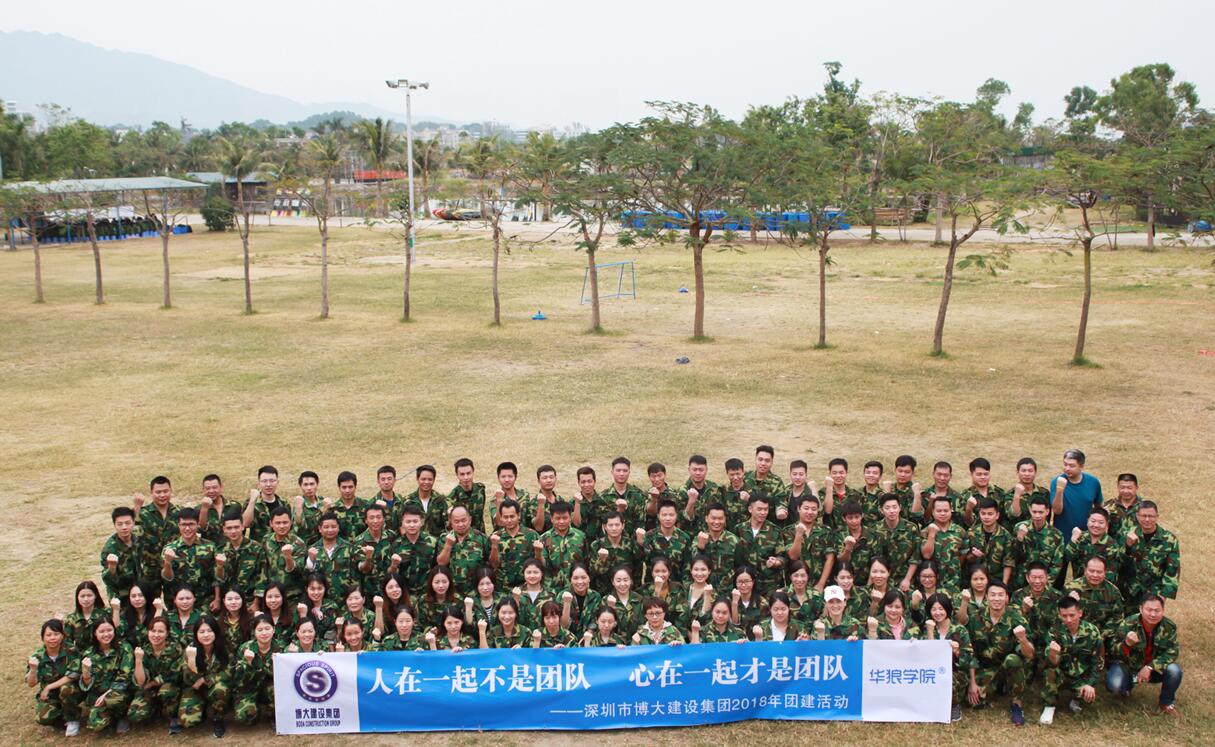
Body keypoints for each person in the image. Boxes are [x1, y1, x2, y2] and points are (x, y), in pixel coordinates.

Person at [965, 581, 1034, 725]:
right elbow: (970, 652)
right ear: (986, 597)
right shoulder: (976, 618)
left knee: (1013, 659)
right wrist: (972, 683)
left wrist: (1023, 640)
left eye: (1001, 595)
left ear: (1007, 598)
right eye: (993, 595)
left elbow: (1029, 654)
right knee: (973, 702)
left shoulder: (1016, 618)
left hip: (1009, 666)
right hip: (987, 668)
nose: (997, 599)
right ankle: (998, 687)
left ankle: (1016, 704)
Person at [1106, 593, 1181, 715]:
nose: (1153, 614)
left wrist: (1150, 667)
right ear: (1141, 609)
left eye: (1157, 610)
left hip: (1153, 670)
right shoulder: (1128, 624)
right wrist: (1126, 644)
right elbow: (1113, 652)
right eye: (1149, 610)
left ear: (1163, 610)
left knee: (1174, 670)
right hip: (1129, 667)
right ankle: (1126, 687)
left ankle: (1166, 703)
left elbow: (1172, 651)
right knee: (1114, 684)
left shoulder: (1169, 626)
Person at [1038, 597, 1101, 725]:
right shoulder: (1054, 631)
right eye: (1064, 616)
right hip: (1061, 674)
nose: (1068, 620)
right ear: (1059, 615)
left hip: (1081, 677)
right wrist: (1052, 654)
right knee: (1050, 672)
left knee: (1089, 697)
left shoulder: (1092, 632)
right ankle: (1049, 706)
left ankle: (1076, 700)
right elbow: (1049, 663)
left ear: (1080, 613)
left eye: (1072, 615)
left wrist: (1090, 684)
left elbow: (1098, 661)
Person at [921, 593, 975, 723]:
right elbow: (923, 654)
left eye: (941, 609)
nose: (937, 613)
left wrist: (957, 653)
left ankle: (954, 705)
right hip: (931, 671)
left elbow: (969, 659)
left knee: (949, 679)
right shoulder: (927, 629)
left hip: (955, 672)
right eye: (934, 609)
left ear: (947, 609)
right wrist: (927, 635)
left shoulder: (960, 630)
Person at [76, 618, 134, 734]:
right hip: (97, 696)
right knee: (95, 725)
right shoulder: (89, 653)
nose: (106, 634)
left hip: (119, 693)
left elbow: (124, 677)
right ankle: (110, 717)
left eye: (109, 630)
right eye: (101, 631)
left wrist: (106, 694)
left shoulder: (124, 648)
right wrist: (86, 673)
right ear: (95, 633)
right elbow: (86, 685)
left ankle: (122, 716)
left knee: (113, 699)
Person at [1120, 501, 1180, 610]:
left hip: (1155, 591)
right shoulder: (1126, 534)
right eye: (1143, 516)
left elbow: (1173, 570)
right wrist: (1128, 546)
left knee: (1151, 618)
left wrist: (1163, 596)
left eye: (1151, 516)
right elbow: (1118, 562)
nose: (1147, 519)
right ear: (1137, 516)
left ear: (1157, 516)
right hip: (1130, 590)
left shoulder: (1169, 539)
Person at [125, 616, 181, 732]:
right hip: (149, 689)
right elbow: (140, 681)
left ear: (167, 633)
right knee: (135, 715)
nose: (156, 635)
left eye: (160, 631)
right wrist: (138, 661)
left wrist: (153, 683)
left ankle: (173, 716)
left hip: (170, 687)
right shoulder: (144, 650)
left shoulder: (176, 649)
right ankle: (155, 709)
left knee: (166, 691)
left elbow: (176, 674)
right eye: (153, 631)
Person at [26, 618, 78, 732]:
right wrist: (33, 670)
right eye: (48, 635)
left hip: (71, 689)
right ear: (43, 638)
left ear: (62, 636)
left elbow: (72, 675)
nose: (53, 638)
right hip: (51, 695)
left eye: (56, 634)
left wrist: (49, 687)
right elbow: (31, 684)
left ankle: (72, 718)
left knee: (66, 689)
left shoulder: (71, 650)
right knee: (42, 718)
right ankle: (60, 716)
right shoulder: (37, 656)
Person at [1065, 556, 1124, 652]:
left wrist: (1101, 636)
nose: (1095, 575)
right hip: (1075, 636)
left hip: (1103, 638)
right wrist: (1070, 602)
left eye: (1099, 572)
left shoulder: (1113, 591)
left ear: (1105, 572)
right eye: (1091, 571)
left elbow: (1117, 617)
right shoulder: (1070, 588)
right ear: (1085, 570)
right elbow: (1061, 616)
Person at [231, 613, 278, 726]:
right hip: (249, 688)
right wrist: (248, 663)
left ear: (273, 630)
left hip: (269, 688)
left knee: (276, 692)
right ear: (254, 632)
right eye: (260, 630)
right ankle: (256, 708)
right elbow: (239, 680)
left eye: (267, 629)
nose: (264, 633)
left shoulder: (279, 648)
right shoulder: (245, 648)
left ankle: (273, 714)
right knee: (245, 717)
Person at [214, 509, 266, 609]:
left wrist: (256, 603)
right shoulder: (220, 550)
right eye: (229, 528)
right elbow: (218, 579)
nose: (233, 531)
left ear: (242, 527)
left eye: (236, 527)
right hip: (228, 600)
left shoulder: (256, 548)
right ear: (224, 530)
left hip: (249, 600)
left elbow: (262, 576)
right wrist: (220, 567)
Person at [161, 508, 217, 600]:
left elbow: (216, 577)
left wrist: (217, 599)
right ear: (178, 525)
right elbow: (167, 578)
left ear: (198, 525)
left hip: (205, 599)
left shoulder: (210, 547)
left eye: (191, 524)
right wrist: (167, 562)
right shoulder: (169, 549)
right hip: (179, 600)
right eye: (183, 524)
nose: (187, 528)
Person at [1051, 449, 1103, 546]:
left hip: (1086, 537)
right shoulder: (1056, 482)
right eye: (1065, 464)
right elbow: (1057, 511)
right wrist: (1060, 490)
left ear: (1081, 466)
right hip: (1062, 538)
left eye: (1072, 466)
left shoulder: (1093, 482)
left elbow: (1099, 507)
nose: (1067, 468)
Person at [736, 494, 784, 596]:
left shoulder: (775, 531)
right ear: (750, 509)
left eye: (766, 509)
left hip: (768, 585)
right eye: (759, 509)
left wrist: (776, 562)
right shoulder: (740, 529)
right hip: (745, 585)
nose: (763, 513)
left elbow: (782, 556)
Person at [437, 505, 491, 596]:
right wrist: (448, 546)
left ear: (470, 520)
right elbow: (441, 564)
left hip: (476, 592)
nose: (461, 524)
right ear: (451, 522)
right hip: (452, 592)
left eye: (463, 520)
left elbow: (491, 564)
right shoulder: (444, 539)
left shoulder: (481, 538)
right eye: (456, 521)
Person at [872, 493, 920, 592]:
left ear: (900, 508)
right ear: (881, 510)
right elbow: (875, 558)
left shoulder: (911, 528)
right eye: (887, 508)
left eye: (894, 507)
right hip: (882, 578)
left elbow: (915, 557)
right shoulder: (875, 529)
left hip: (906, 577)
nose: (892, 511)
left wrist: (907, 580)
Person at [1013, 497, 1064, 589]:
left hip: (1044, 584)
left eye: (1041, 512)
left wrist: (1045, 586)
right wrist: (1019, 539)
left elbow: (1057, 565)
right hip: (1020, 582)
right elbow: (1013, 556)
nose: (1037, 516)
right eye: (1034, 512)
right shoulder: (1019, 528)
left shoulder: (1056, 535)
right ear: (1030, 510)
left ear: (1047, 511)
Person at [1065, 506, 1125, 583]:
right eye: (1093, 521)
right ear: (1087, 521)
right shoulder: (1079, 538)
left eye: (1101, 522)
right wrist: (1073, 540)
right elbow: (1068, 557)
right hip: (1079, 584)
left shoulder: (1112, 545)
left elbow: (1111, 575)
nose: (1096, 525)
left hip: (1101, 586)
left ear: (1107, 524)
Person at [390, 504, 439, 597]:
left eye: (415, 521)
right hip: (405, 594)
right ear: (402, 523)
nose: (412, 525)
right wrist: (394, 565)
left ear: (422, 522)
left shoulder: (432, 542)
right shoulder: (397, 545)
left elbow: (437, 568)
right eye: (408, 522)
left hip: (427, 593)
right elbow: (391, 573)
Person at [134, 476, 180, 572]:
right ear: (151, 492)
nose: (162, 495)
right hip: (151, 568)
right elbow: (133, 535)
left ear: (171, 491)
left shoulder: (179, 512)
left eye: (165, 491)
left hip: (176, 567)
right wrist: (137, 507)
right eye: (158, 492)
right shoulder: (142, 513)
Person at [589, 510, 643, 594]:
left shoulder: (630, 544)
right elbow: (593, 572)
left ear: (623, 526)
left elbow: (638, 565)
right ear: (604, 526)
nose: (614, 528)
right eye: (610, 525)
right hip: (603, 592)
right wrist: (602, 560)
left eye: (617, 525)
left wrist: (640, 544)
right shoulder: (596, 545)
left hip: (627, 590)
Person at [964, 497, 1015, 585]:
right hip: (976, 579)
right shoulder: (971, 533)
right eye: (983, 514)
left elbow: (1008, 562)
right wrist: (973, 556)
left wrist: (1004, 585)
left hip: (997, 579)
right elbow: (966, 558)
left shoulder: (1006, 536)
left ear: (997, 515)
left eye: (990, 514)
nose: (986, 517)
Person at [921, 496, 966, 591]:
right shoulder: (925, 532)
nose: (942, 513)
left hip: (953, 581)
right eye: (939, 511)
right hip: (931, 581)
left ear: (951, 511)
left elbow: (963, 554)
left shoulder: (960, 531)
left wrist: (954, 566)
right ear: (933, 512)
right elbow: (926, 555)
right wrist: (932, 534)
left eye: (946, 510)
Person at [262, 506, 307, 602]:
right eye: (278, 523)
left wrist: (288, 556)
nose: (282, 526)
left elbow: (298, 571)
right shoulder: (266, 540)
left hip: (293, 596)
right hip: (272, 596)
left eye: (285, 522)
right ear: (271, 524)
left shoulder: (298, 543)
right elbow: (263, 567)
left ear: (291, 522)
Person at [539, 502, 587, 589]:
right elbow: (543, 564)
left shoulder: (580, 536)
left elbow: (586, 561)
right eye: (557, 518)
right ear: (551, 519)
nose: (561, 521)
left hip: (576, 585)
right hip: (552, 586)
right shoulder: (544, 538)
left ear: (570, 518)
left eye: (565, 518)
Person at [100, 507, 142, 603]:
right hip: (121, 594)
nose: (124, 527)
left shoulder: (138, 538)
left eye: (127, 523)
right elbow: (108, 580)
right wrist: (112, 567)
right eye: (120, 524)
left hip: (140, 590)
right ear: (114, 525)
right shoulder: (110, 549)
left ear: (133, 523)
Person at [354, 503, 394, 599]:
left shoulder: (391, 536)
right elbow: (363, 569)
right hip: (369, 592)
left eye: (378, 517)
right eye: (371, 518)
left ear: (383, 519)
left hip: (390, 589)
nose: (375, 521)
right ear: (366, 520)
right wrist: (368, 558)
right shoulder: (358, 542)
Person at [831, 501, 876, 585]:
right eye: (850, 518)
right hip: (844, 582)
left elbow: (876, 562)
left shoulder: (872, 535)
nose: (854, 521)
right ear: (844, 519)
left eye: (857, 517)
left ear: (862, 516)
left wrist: (868, 586)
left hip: (866, 582)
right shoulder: (839, 535)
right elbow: (840, 561)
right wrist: (848, 548)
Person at [243, 466, 288, 544]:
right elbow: (245, 524)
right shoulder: (251, 502)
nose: (268, 484)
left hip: (279, 547)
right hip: (259, 548)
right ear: (259, 484)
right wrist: (252, 501)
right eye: (264, 481)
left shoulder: (283, 503)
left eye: (272, 481)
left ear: (277, 482)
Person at [601, 457, 648, 532]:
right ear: (612, 472)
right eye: (618, 470)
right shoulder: (604, 497)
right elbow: (603, 524)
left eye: (625, 471)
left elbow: (641, 522)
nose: (621, 474)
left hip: (633, 537)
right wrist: (619, 510)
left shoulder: (638, 495)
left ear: (629, 472)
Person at [1003, 458, 1049, 533]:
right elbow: (1013, 515)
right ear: (1017, 472)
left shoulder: (1044, 493)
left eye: (1030, 471)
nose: (1027, 474)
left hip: (1041, 536)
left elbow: (1048, 516)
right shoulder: (1010, 494)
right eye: (1023, 471)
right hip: (1019, 535)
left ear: (1035, 472)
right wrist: (1017, 495)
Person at [64, 581, 108, 653]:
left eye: (89, 595)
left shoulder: (105, 614)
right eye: (82, 596)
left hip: (102, 655)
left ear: (95, 596)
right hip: (79, 656)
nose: (86, 599)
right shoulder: (71, 619)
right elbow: (67, 642)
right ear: (77, 597)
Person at [678, 455, 719, 533]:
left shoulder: (713, 488)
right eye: (694, 469)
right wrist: (691, 502)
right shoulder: (682, 491)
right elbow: (681, 520)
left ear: (706, 470)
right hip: (690, 535)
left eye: (701, 470)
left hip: (711, 533)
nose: (698, 473)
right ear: (689, 470)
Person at [960, 458, 1004, 528]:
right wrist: (969, 509)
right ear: (972, 474)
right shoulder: (965, 495)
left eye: (986, 474)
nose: (983, 477)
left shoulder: (999, 492)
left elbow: (1005, 518)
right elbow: (967, 523)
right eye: (979, 474)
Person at [405, 465, 446, 538]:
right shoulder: (407, 502)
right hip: (415, 542)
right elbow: (402, 527)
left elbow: (448, 525)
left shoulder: (442, 500)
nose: (426, 482)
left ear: (434, 480)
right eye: (423, 479)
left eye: (430, 479)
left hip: (438, 542)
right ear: (417, 479)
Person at [448, 458, 487, 533]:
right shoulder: (452, 497)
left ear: (473, 472)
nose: (466, 477)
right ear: (457, 475)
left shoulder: (480, 489)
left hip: (480, 534)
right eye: (462, 474)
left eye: (468, 473)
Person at [489, 462, 529, 530]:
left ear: (515, 477)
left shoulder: (524, 495)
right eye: (503, 477)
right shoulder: (494, 501)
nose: (506, 480)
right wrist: (499, 502)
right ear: (498, 478)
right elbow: (499, 523)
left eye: (510, 476)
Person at [330, 471, 369, 539]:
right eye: (344, 487)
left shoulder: (366, 506)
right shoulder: (332, 509)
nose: (347, 491)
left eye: (350, 487)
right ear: (339, 488)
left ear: (355, 487)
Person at [290, 471, 324, 546]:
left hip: (323, 544)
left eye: (312, 484)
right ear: (300, 486)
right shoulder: (299, 504)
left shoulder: (323, 502)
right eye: (305, 485)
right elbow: (298, 528)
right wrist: (299, 509)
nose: (309, 488)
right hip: (306, 546)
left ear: (317, 484)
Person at [1104, 473, 1143, 537]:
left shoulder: (1144, 506)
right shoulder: (1109, 506)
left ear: (1136, 488)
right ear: (1118, 487)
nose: (1125, 491)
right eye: (1122, 487)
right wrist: (1104, 516)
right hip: (1113, 543)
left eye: (1129, 488)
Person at [197, 474, 230, 545]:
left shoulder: (233, 506)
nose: (211, 491)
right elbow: (199, 529)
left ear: (221, 487)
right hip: (209, 549)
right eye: (207, 488)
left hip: (230, 548)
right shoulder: (198, 509)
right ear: (203, 490)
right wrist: (204, 509)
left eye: (215, 487)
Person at [370, 466, 404, 533]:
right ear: (378, 482)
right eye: (383, 479)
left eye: (389, 479)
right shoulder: (372, 503)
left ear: (394, 480)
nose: (386, 482)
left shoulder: (401, 500)